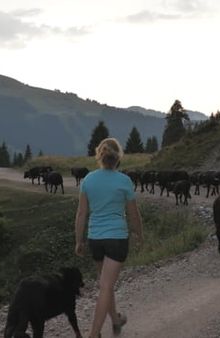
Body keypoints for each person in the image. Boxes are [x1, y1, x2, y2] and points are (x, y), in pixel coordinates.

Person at [74, 138, 144, 338]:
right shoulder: (124, 181)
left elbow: (81, 214)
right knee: (106, 285)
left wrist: (79, 240)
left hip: (96, 239)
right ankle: (93, 334)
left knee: (106, 283)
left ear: (100, 155)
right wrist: (139, 234)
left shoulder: (88, 180)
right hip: (116, 239)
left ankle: (116, 320)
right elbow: (133, 214)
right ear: (118, 157)